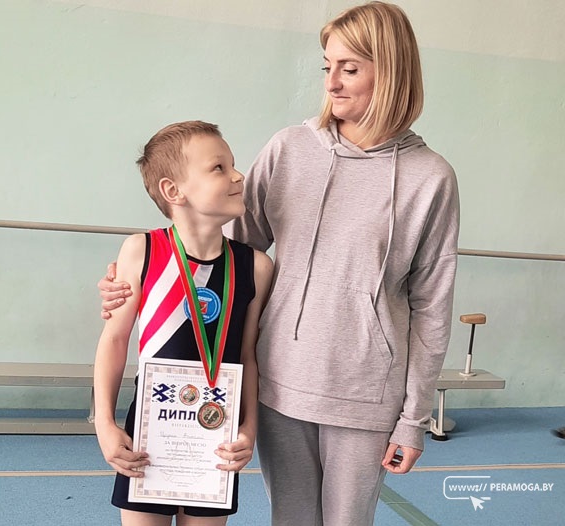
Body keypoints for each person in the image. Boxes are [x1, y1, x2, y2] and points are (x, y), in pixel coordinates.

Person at [98, 3, 459, 525]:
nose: (331, 83)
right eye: (328, 66)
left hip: (365, 394)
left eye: (350, 68)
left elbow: (432, 307)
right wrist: (132, 282)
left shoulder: (431, 178)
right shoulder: (289, 150)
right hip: (280, 387)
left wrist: (414, 418)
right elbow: (221, 259)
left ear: (392, 70)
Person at [93, 120, 273, 526]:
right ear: (173, 191)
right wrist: (104, 422)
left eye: (233, 165)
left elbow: (248, 355)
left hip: (215, 434)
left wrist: (248, 428)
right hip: (149, 433)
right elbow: (115, 340)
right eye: (219, 168)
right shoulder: (142, 250)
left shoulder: (256, 267)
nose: (238, 176)